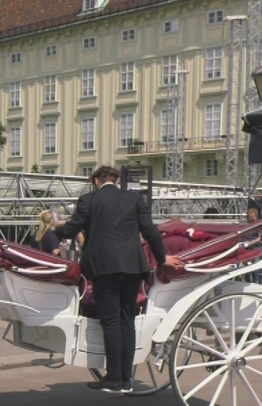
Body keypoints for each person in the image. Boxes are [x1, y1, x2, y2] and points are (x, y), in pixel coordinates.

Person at [56, 166, 183, 393]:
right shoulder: (133, 199)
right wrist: (161, 258)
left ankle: (114, 376)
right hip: (133, 265)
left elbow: (72, 228)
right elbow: (150, 230)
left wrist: (56, 230)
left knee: (111, 321)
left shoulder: (88, 199)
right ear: (115, 181)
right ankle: (125, 377)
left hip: (104, 266)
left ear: (96, 180)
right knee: (127, 319)